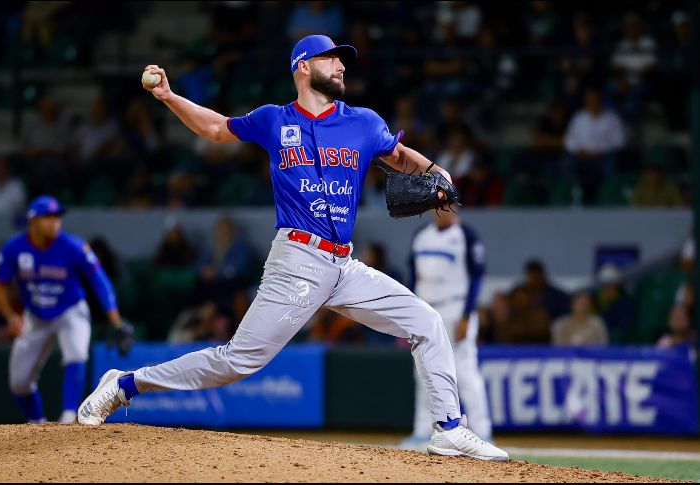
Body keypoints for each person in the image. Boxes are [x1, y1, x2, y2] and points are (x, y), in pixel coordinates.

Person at [78, 34, 508, 461]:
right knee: (237, 362)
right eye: (330, 59)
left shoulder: (362, 121)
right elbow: (215, 128)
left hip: (344, 265)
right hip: (297, 260)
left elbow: (397, 156)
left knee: (428, 322)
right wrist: (170, 97)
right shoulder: (275, 120)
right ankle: (125, 384)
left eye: (341, 60)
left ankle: (449, 428)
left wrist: (435, 170)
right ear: (303, 66)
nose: (340, 66)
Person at [0, 195, 133, 425]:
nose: (55, 222)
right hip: (35, 315)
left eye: (57, 217)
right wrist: (9, 316)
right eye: (48, 217)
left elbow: (99, 279)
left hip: (70, 310)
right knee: (19, 382)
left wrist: (115, 319)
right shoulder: (15, 248)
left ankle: (68, 416)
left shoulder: (72, 245)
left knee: (77, 354)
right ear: (33, 221)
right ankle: (37, 423)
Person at [399, 208, 493, 450]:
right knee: (423, 371)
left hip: (455, 310)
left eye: (445, 206)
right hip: (426, 310)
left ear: (454, 207)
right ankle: (421, 432)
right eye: (436, 207)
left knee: (465, 372)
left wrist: (467, 315)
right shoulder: (422, 235)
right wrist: (409, 310)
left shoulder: (466, 235)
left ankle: (483, 431)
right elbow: (413, 276)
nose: (440, 212)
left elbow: (477, 277)